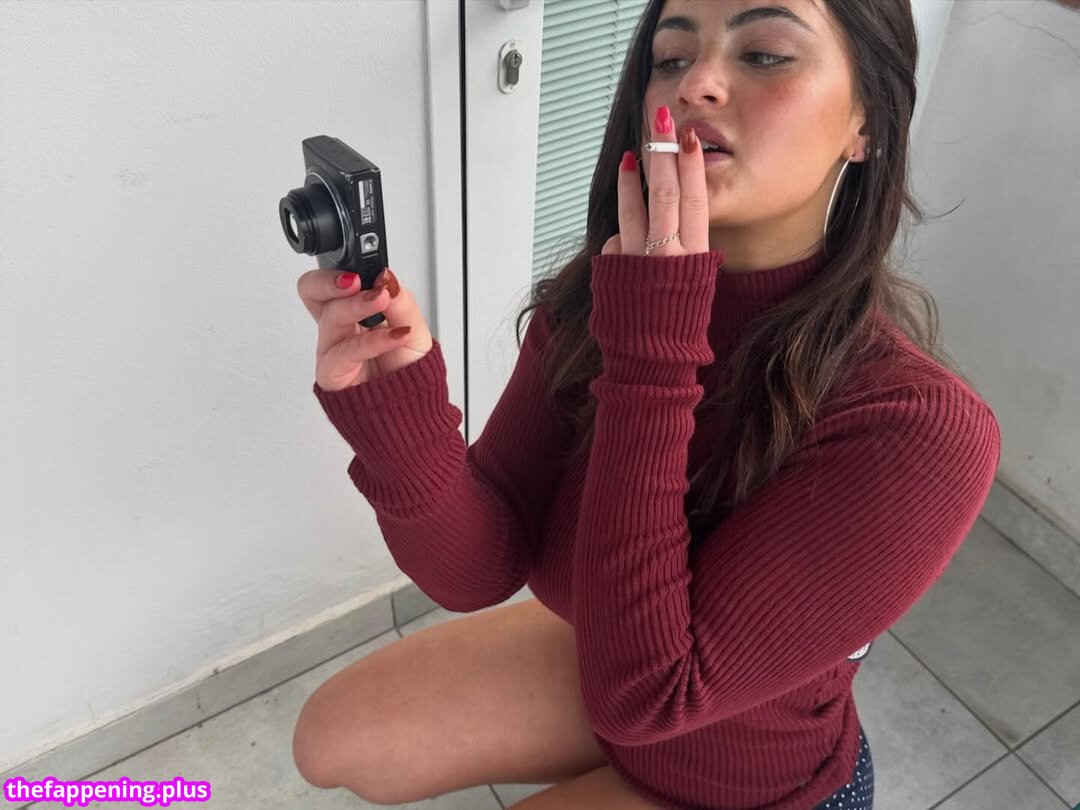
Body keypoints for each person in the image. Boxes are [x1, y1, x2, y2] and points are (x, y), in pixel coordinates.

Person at [291, 1, 1001, 807]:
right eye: (670, 58)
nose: (696, 85)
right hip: (612, 655)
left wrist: (654, 351)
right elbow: (477, 568)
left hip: (742, 777)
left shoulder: (920, 429)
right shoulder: (601, 299)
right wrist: (401, 416)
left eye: (765, 53)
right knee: (330, 737)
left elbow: (649, 695)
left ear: (865, 121)